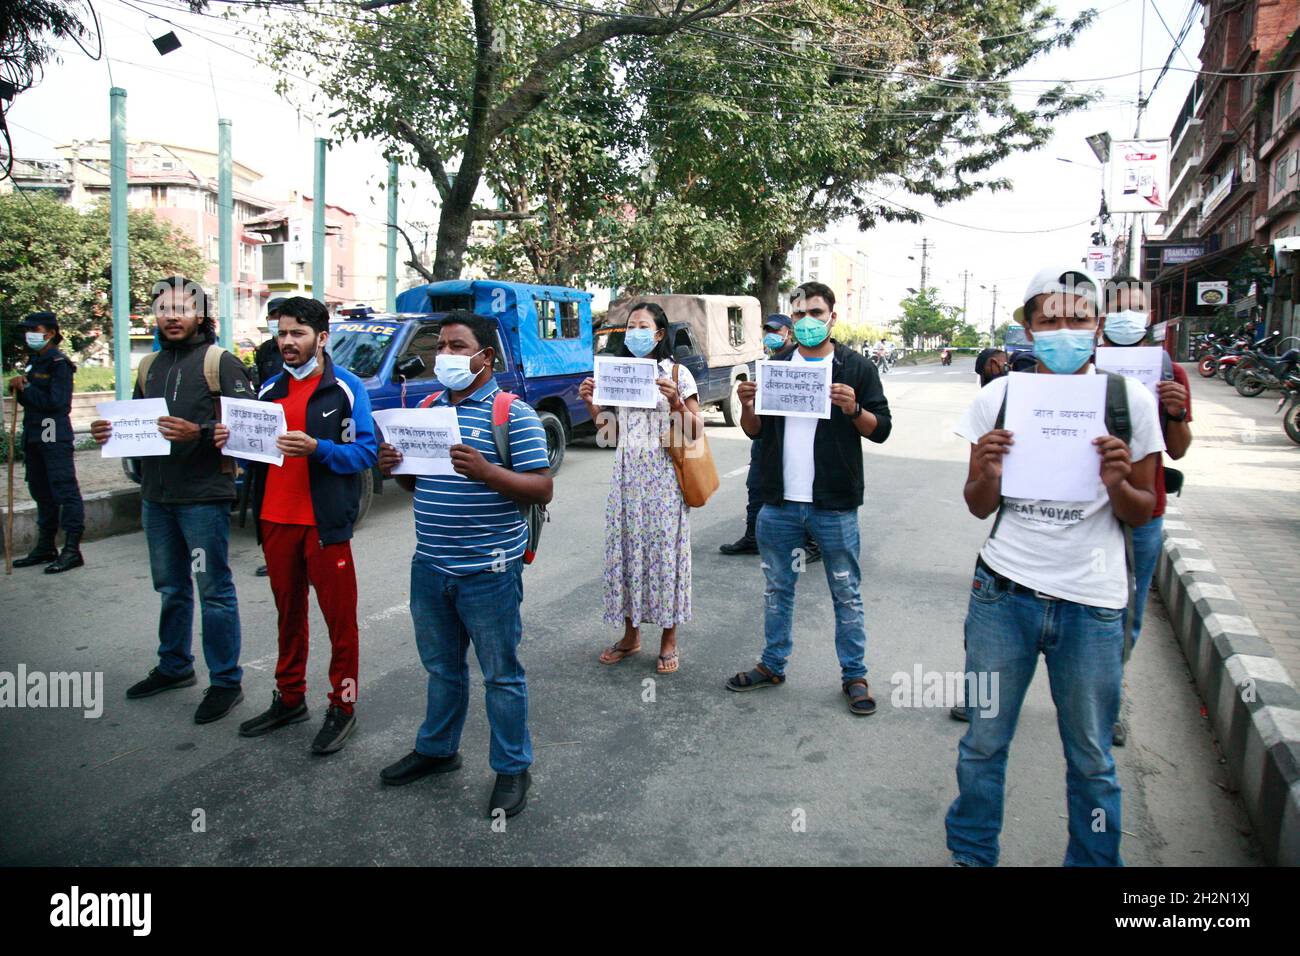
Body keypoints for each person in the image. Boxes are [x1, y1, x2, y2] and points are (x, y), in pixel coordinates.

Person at [945, 265, 1163, 867]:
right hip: (1002, 595)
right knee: (984, 742)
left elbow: (1142, 512)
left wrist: (1119, 483)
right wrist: (987, 473)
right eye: (1050, 321)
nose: (1064, 331)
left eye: (1079, 319)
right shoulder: (999, 398)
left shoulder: (1128, 402)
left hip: (1092, 604)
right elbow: (976, 505)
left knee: (1091, 757)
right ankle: (971, 856)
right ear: (1027, 327)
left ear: (1097, 328)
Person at [377, 310, 552, 819]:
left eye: (457, 346)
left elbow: (541, 486)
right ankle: (437, 751)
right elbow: (419, 484)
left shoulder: (510, 413)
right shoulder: (429, 407)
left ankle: (513, 768)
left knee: (501, 675)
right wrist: (396, 468)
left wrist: (487, 470)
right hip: (430, 565)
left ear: (485, 357)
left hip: (490, 571)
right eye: (441, 346)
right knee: (441, 668)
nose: (445, 356)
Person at [90, 276, 254, 724]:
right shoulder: (150, 366)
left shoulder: (221, 362)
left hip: (203, 499)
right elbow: (140, 427)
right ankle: (175, 666)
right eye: (163, 309)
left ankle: (225, 682)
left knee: (213, 590)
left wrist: (199, 434)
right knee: (171, 588)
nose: (172, 316)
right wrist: (110, 433)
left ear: (200, 314)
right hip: (157, 498)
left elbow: (252, 430)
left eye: (182, 308)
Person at [725, 281, 892, 716]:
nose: (807, 322)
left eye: (816, 313)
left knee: (845, 591)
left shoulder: (855, 368)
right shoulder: (776, 365)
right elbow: (757, 432)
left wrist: (854, 410)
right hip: (779, 503)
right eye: (798, 314)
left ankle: (854, 675)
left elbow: (882, 429)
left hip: (833, 504)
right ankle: (773, 663)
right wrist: (746, 405)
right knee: (778, 587)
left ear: (832, 318)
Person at [225, 296, 378, 754]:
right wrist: (227, 442)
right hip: (275, 521)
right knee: (287, 617)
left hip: (325, 525)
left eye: (297, 333)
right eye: (282, 332)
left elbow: (366, 454)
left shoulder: (346, 389)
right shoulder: (268, 391)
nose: (287, 342)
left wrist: (318, 449)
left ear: (322, 338)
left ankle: (343, 706)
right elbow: (252, 455)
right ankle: (290, 698)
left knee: (340, 623)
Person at [579, 301, 703, 675]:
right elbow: (609, 431)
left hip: (665, 478)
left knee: (665, 558)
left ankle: (668, 640)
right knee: (628, 555)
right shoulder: (620, 372)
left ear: (659, 333)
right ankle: (630, 635)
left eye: (643, 325)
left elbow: (695, 432)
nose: (635, 332)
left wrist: (677, 402)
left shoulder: (678, 375)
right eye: (631, 325)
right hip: (626, 478)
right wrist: (591, 402)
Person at [1100, 275, 1192, 747]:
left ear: (1149, 314)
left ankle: (1107, 706)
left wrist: (1173, 413)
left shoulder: (1169, 372)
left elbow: (1177, 451)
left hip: (1142, 512)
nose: (1124, 315)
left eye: (1133, 306)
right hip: (1081, 511)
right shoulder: (1077, 368)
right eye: (1115, 306)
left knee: (1126, 614)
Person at [719, 314, 820, 564]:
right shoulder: (767, 361)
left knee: (800, 492)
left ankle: (812, 543)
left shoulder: (801, 360)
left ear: (789, 332)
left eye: (776, 330)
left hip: (793, 436)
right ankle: (752, 537)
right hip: (765, 435)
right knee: (756, 486)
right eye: (767, 330)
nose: (771, 334)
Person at [7, 311, 86, 573]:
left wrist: (27, 388)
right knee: (40, 490)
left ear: (50, 333)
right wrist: (21, 388)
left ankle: (72, 549)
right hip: (34, 433)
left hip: (53, 435)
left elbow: (57, 403)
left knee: (64, 490)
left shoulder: (58, 363)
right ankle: (45, 546)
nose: (29, 334)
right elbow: (29, 401)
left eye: (34, 329)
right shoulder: (34, 360)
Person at [251, 297, 287, 579]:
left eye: (281, 316)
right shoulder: (264, 350)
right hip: (267, 430)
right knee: (263, 495)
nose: (276, 322)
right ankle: (271, 555)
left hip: (297, 427)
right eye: (272, 316)